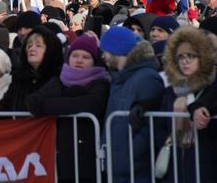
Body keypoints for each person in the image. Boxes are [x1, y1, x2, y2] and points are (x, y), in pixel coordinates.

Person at [26, 34, 111, 183]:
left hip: (89, 160)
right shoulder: (60, 80)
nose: (79, 60)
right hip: (59, 159)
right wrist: (68, 101)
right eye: (75, 55)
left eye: (86, 57)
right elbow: (34, 102)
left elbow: (90, 105)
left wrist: (54, 103)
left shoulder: (101, 82)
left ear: (94, 61)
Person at [100, 26, 164, 182]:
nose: (102, 56)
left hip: (137, 169)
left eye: (106, 50)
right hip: (118, 166)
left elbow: (151, 123)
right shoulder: (119, 79)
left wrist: (131, 154)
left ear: (117, 49)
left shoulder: (146, 77)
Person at [156, 27, 217, 182]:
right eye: (181, 57)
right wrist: (170, 138)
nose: (185, 61)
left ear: (202, 58)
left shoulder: (210, 89)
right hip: (175, 167)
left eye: (191, 56)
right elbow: (159, 126)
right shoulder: (170, 90)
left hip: (205, 168)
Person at [0, 25, 64, 111]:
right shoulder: (19, 77)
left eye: (38, 45)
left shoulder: (59, 77)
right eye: (29, 46)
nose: (32, 49)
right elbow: (4, 107)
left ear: (50, 49)